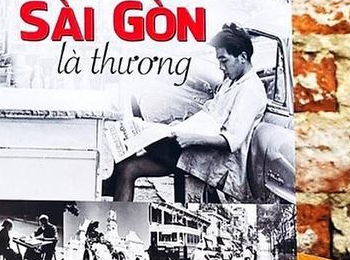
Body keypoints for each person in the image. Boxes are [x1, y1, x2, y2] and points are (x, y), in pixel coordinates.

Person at [103, 23, 268, 203]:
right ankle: (110, 192)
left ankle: (105, 185)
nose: (221, 67)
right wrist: (181, 127)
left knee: (133, 139)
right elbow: (209, 113)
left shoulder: (250, 90)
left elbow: (232, 141)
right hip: (193, 149)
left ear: (242, 57)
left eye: (224, 60)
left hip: (212, 158)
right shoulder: (232, 81)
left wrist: (190, 138)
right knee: (127, 167)